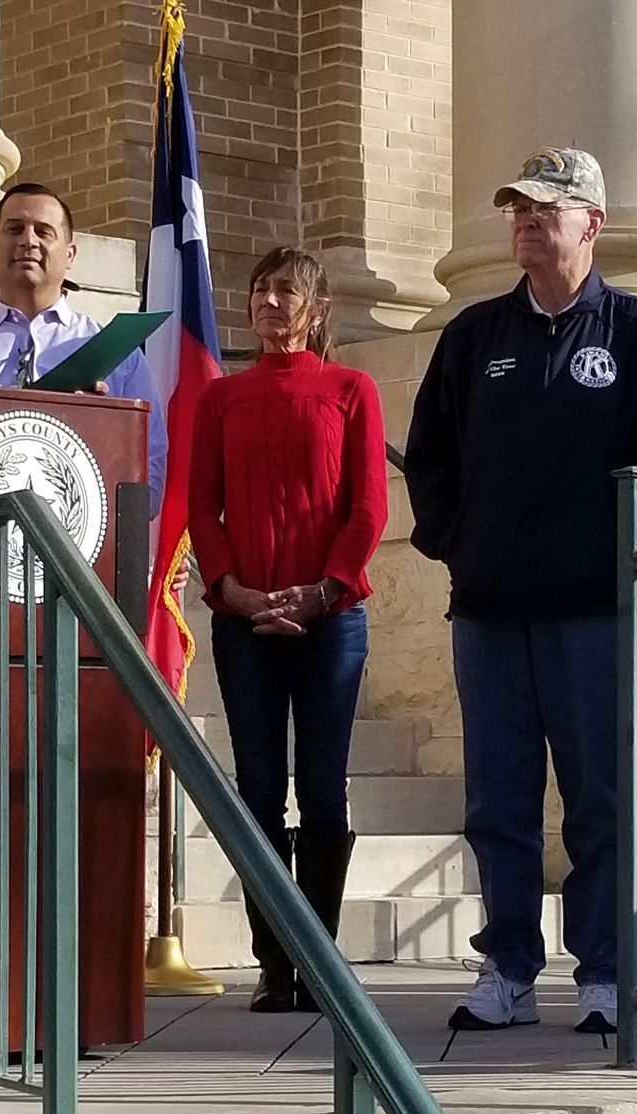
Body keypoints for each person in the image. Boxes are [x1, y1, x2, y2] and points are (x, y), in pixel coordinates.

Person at [405, 147, 637, 1038]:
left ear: (592, 222)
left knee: (598, 798)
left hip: (593, 611)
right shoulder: (472, 337)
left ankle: (606, 973)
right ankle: (507, 969)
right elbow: (431, 458)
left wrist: (605, 551)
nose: (528, 221)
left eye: (547, 207)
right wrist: (459, 545)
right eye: (518, 209)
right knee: (498, 799)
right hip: (491, 610)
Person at [189, 246, 388, 1013]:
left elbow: (367, 505)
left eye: (286, 291)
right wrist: (233, 589)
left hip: (329, 620)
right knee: (259, 792)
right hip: (246, 622)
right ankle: (275, 964)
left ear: (316, 309)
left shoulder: (351, 390)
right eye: (260, 290)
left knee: (325, 793)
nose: (270, 303)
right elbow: (203, 508)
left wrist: (321, 590)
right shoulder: (221, 399)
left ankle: (321, 960)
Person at [0, 183, 168, 515]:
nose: (28, 240)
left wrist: (99, 435)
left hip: (81, 553)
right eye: (14, 229)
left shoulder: (115, 353)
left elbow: (149, 480)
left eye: (43, 231)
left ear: (69, 255)